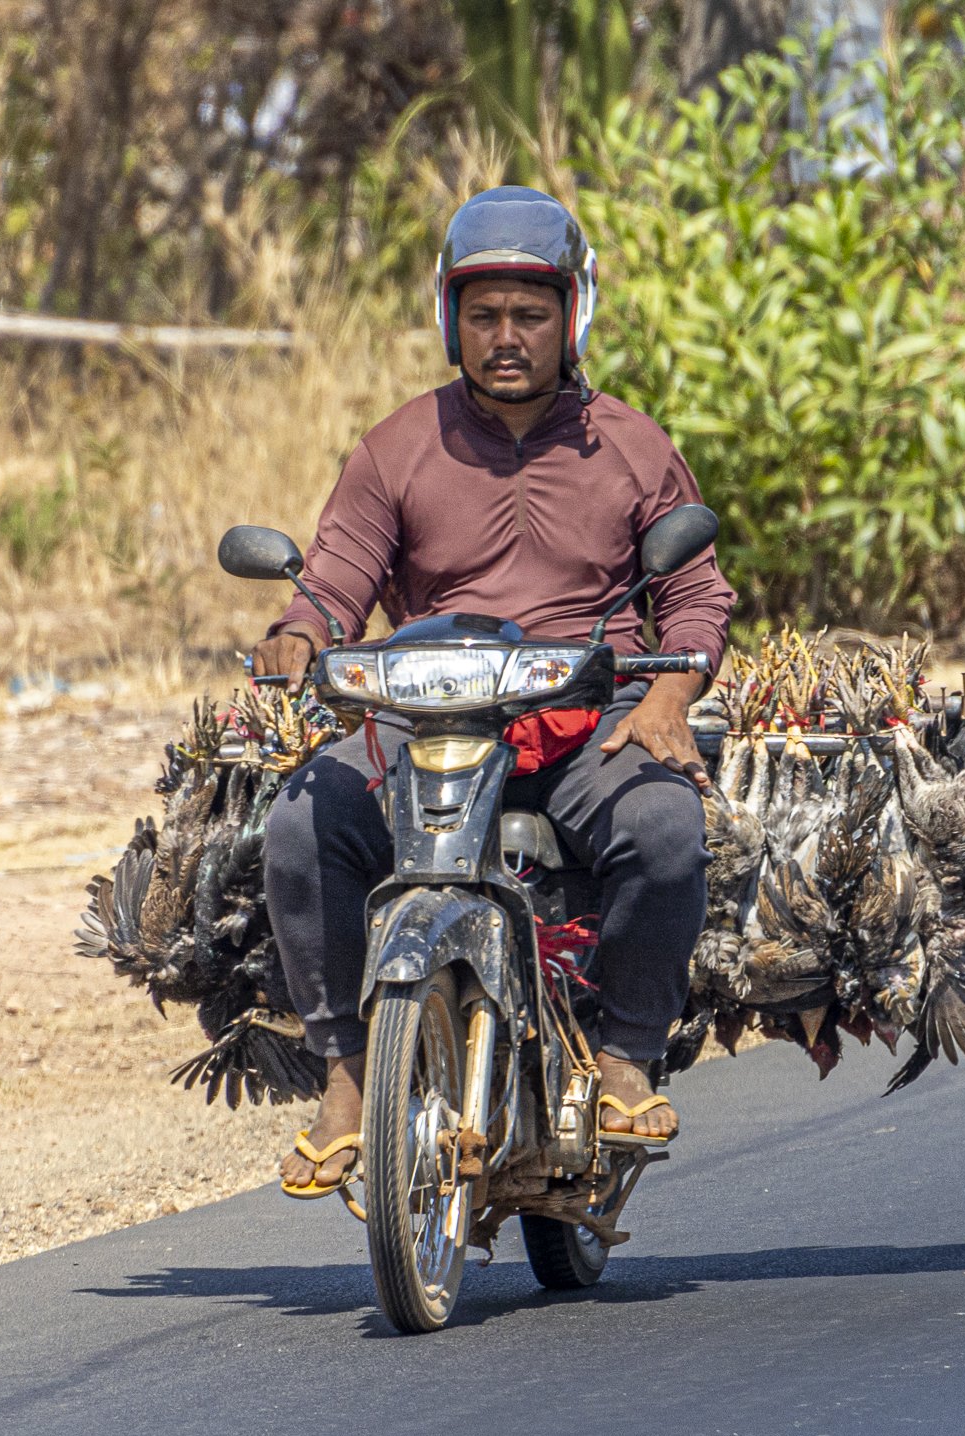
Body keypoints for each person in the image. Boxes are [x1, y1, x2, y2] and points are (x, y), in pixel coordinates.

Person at [252, 186, 735, 1198]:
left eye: (529, 315)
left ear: (574, 315)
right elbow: (338, 574)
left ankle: (621, 1056)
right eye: (483, 316)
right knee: (302, 819)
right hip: (425, 724)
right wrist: (301, 630)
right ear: (449, 321)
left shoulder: (634, 447)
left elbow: (694, 591)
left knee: (665, 829)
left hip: (582, 726)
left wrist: (666, 700)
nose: (506, 337)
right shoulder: (396, 446)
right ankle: (347, 1078)